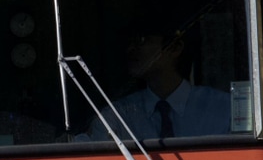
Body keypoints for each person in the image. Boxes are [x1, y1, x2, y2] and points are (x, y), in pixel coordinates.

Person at [96, 21, 232, 144]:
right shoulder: (118, 117)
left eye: (141, 40)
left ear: (175, 48)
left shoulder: (223, 108)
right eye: (129, 42)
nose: (130, 49)